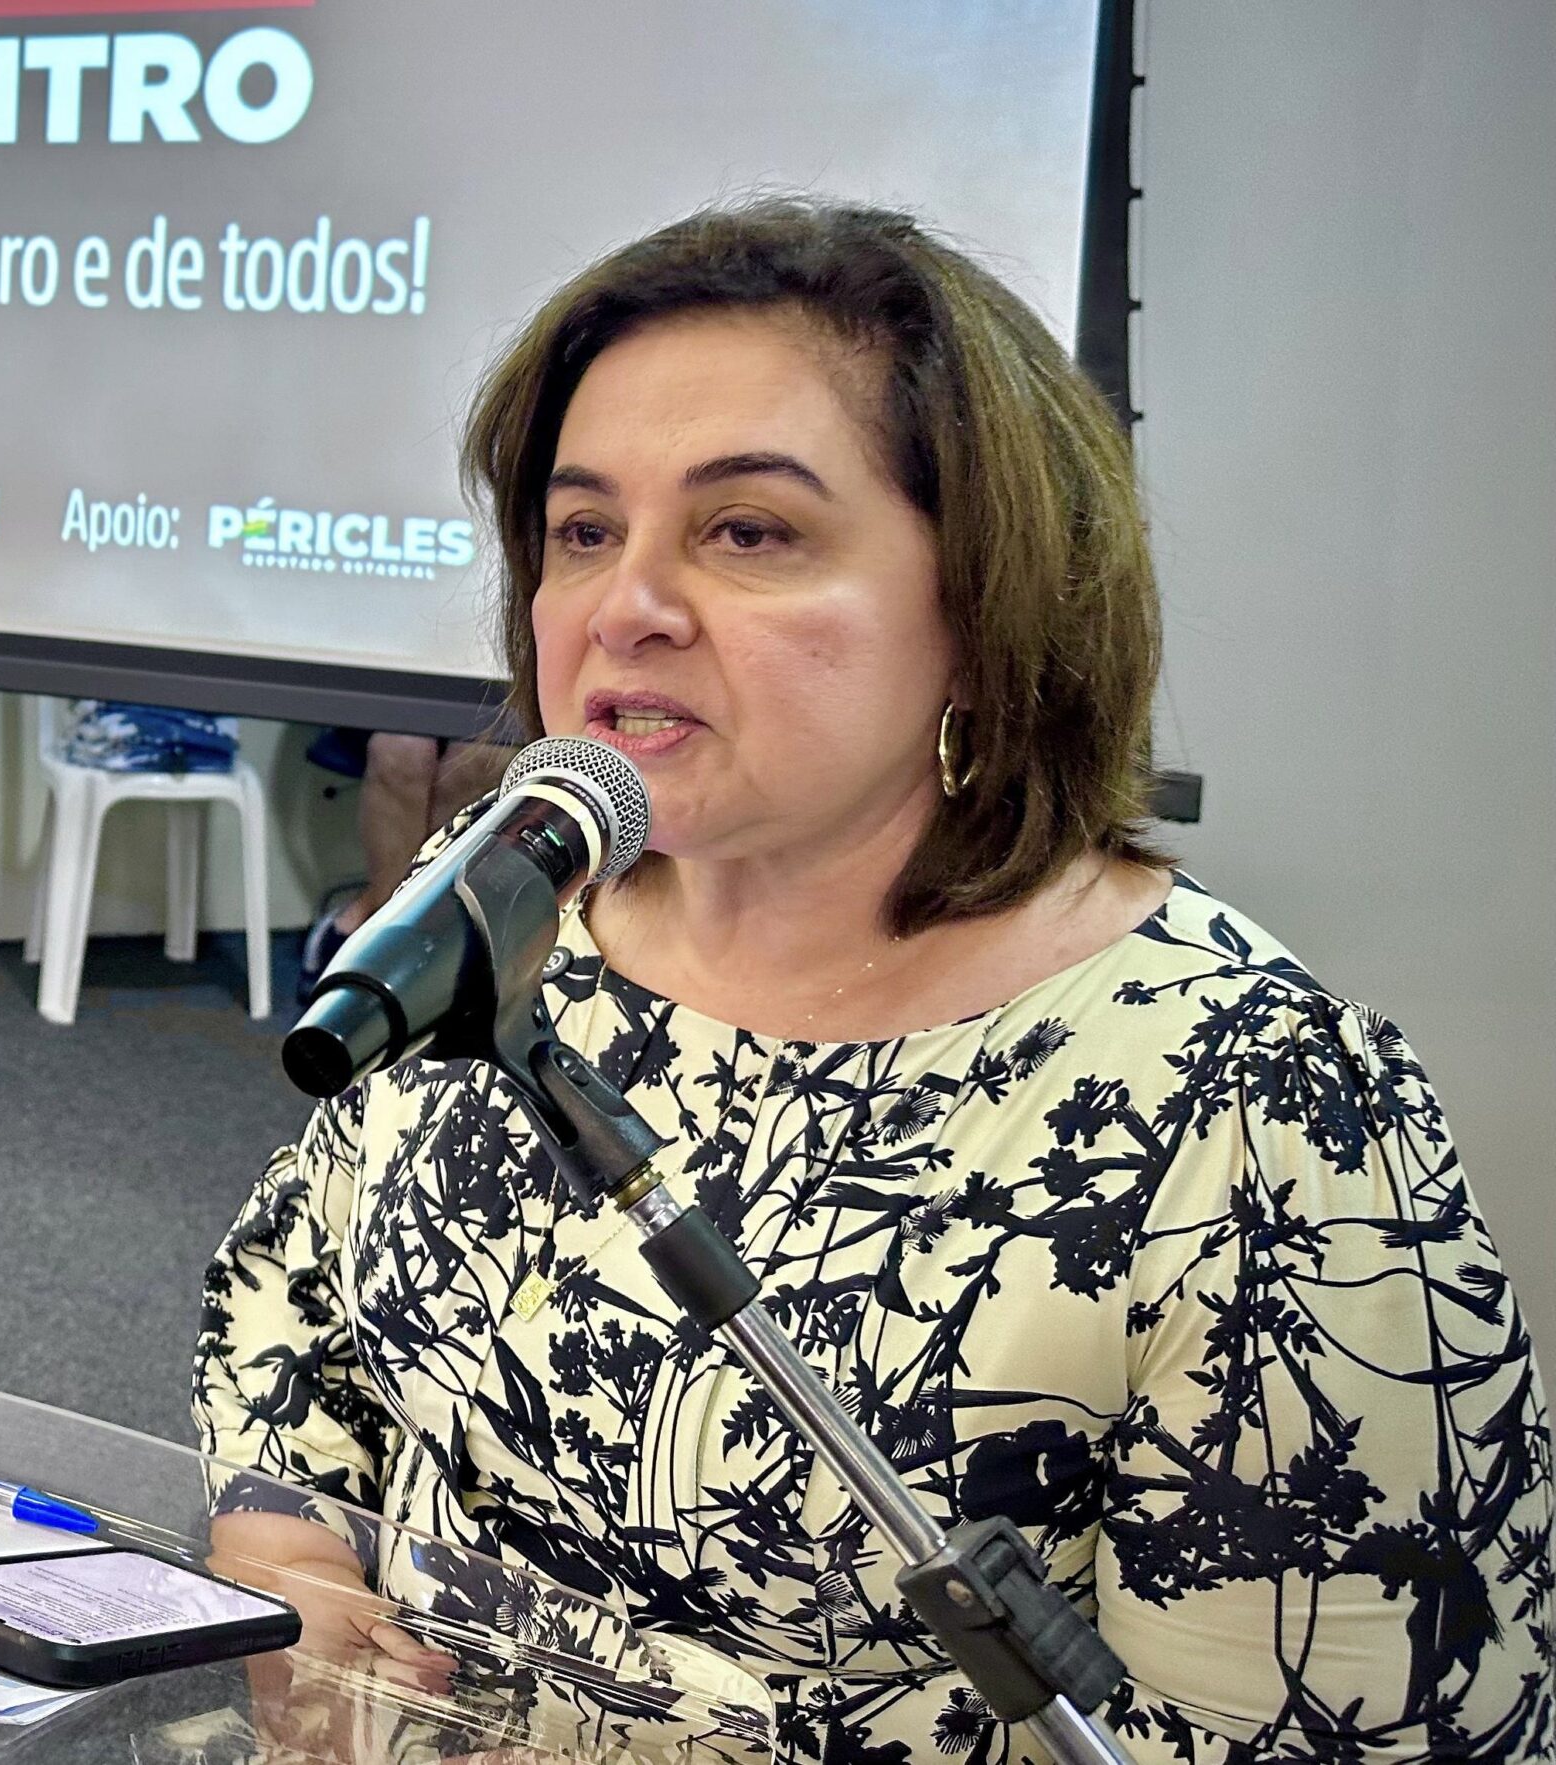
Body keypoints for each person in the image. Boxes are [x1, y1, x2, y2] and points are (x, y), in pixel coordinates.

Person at [196, 199, 1553, 1761]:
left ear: (982, 602)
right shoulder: (517, 903)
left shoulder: (1262, 1103)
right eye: (584, 532)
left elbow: (1350, 1717)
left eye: (747, 532)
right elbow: (290, 1293)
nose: (625, 606)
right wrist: (284, 1554)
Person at [298, 730, 517, 1000]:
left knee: (483, 756)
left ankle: (382, 920)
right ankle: (396, 924)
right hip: (391, 711)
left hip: (485, 713)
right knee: (400, 749)